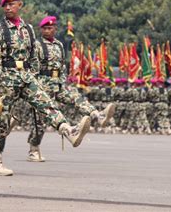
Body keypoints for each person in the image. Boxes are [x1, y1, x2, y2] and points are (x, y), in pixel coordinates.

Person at [0, 0, 90, 176]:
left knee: (46, 103)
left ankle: (68, 131)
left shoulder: (28, 29)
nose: (8, 7)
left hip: (26, 76)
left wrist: (34, 75)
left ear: (20, 5)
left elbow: (33, 55)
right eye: (5, 5)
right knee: (2, 122)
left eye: (12, 4)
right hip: (7, 79)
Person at [26, 16, 114, 162]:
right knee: (40, 121)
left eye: (50, 28)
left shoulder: (59, 45)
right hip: (42, 86)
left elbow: (62, 66)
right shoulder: (37, 46)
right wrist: (35, 89)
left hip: (58, 84)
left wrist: (63, 82)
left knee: (76, 97)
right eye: (45, 28)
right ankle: (33, 149)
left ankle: (97, 115)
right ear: (41, 30)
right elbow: (32, 68)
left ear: (55, 28)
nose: (48, 30)